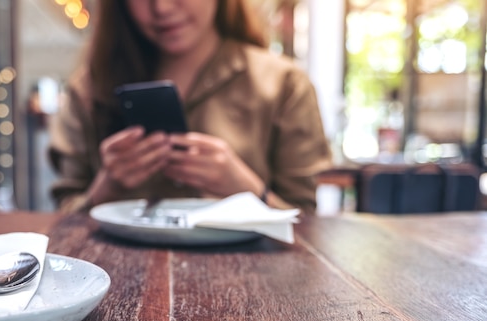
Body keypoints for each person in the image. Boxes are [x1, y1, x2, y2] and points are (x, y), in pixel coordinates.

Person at [49, 0, 332, 215]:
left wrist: (246, 188)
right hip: (118, 279)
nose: (161, 7)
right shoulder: (90, 87)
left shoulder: (284, 85)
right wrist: (108, 188)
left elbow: (306, 223)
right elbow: (64, 215)